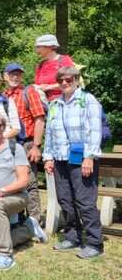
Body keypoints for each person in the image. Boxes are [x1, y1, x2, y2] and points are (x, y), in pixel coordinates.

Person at [0, 112, 47, 270]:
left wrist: (1, 191)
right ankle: (29, 228)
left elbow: (23, 180)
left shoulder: (16, 148)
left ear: (4, 127)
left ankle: (5, 256)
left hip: (17, 197)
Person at [43, 66, 104, 259]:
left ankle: (95, 243)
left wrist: (89, 157)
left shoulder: (88, 101)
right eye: (61, 80)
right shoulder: (54, 104)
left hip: (82, 160)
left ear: (77, 80)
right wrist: (48, 157)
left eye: (69, 80)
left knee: (85, 202)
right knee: (65, 200)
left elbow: (94, 131)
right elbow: (50, 134)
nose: (64, 83)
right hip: (60, 159)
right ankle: (72, 237)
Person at [3, 63, 46, 223]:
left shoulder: (29, 92)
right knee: (13, 181)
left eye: (18, 74)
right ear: (5, 76)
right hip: (8, 145)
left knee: (30, 182)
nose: (15, 77)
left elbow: (40, 119)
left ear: (21, 76)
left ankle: (34, 220)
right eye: (11, 74)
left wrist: (36, 145)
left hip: (26, 143)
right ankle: (17, 217)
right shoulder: (3, 96)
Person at [33, 34, 75, 102]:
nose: (36, 51)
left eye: (38, 47)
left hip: (64, 103)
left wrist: (48, 87)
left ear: (49, 47)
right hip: (45, 105)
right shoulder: (40, 65)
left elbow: (72, 82)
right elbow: (37, 86)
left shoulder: (64, 60)